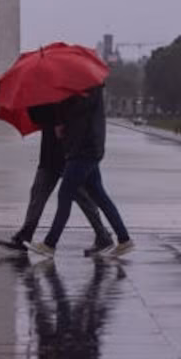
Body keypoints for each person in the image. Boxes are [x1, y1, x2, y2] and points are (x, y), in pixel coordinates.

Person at [29, 85, 133, 258]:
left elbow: (77, 116)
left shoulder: (87, 89)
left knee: (65, 196)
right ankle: (124, 239)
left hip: (83, 151)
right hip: (88, 149)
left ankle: (50, 244)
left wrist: (62, 117)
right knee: (100, 196)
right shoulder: (85, 89)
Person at [0, 103, 113, 255]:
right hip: (49, 156)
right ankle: (25, 236)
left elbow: (77, 119)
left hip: (69, 157)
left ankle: (103, 235)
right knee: (37, 196)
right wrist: (34, 103)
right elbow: (37, 118)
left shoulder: (69, 96)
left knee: (83, 199)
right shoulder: (45, 97)